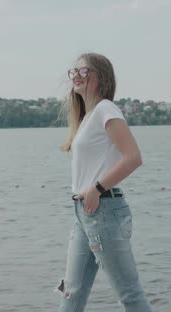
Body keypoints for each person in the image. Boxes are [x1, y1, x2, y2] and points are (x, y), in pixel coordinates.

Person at [56, 53, 152, 312]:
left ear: (101, 78)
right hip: (83, 214)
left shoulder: (106, 109)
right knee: (71, 293)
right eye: (74, 72)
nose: (76, 75)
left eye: (84, 71)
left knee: (129, 295)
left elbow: (133, 157)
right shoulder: (88, 116)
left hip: (103, 212)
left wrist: (96, 190)